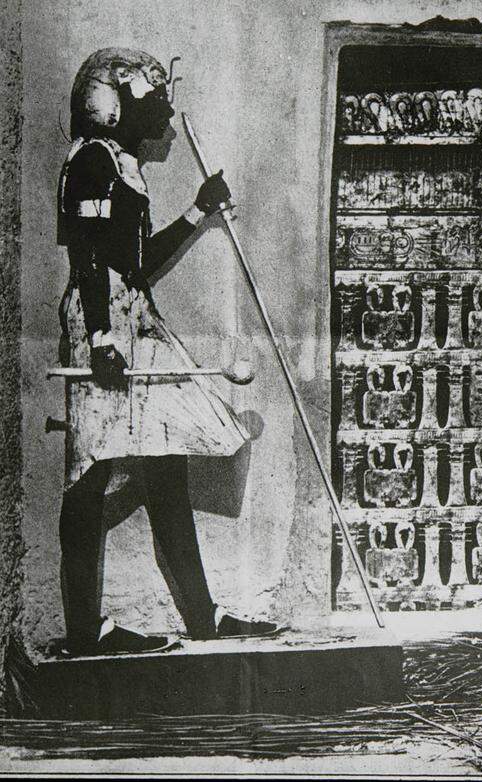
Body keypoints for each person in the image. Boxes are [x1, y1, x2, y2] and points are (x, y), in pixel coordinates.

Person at [56, 48, 278, 656]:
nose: (166, 110)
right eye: (154, 98)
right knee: (92, 472)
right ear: (115, 100)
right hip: (104, 323)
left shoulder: (124, 167)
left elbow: (137, 263)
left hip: (133, 316)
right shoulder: (91, 163)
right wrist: (101, 336)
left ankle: (202, 618)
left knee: (167, 462)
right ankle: (84, 635)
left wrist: (197, 211)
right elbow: (90, 257)